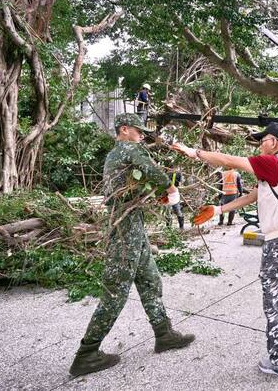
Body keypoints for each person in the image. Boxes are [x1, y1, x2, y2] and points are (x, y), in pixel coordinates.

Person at [172, 122, 278, 379]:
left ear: (274, 141)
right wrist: (219, 210)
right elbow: (253, 196)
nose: (259, 145)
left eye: (262, 140)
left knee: (273, 299)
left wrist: (194, 152)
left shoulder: (271, 163)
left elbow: (229, 160)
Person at [69, 114, 194, 377]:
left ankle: (164, 334)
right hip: (126, 231)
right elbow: (155, 174)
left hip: (131, 223)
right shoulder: (128, 148)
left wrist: (152, 194)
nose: (141, 137)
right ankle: (87, 353)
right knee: (115, 290)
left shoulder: (116, 154)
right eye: (138, 131)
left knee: (150, 279)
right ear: (124, 130)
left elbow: (134, 185)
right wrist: (169, 190)